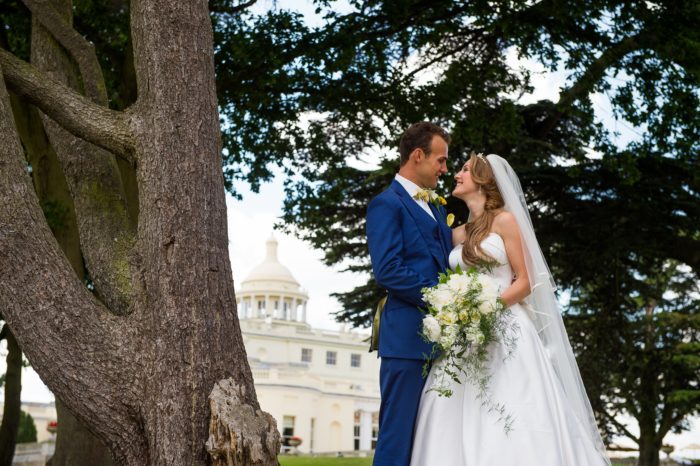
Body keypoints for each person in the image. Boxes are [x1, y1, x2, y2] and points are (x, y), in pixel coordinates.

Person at [410, 153, 611, 465]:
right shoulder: (457, 233)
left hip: (506, 329)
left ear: (483, 180)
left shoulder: (505, 220)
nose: (457, 174)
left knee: (513, 408)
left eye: (464, 170)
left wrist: (487, 308)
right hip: (465, 334)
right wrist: (461, 312)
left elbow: (525, 280)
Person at [366, 121, 453, 466]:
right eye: (441, 160)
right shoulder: (386, 204)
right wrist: (443, 300)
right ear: (418, 155)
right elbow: (388, 269)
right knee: (397, 435)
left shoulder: (438, 208)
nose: (445, 169)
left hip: (443, 342)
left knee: (431, 437)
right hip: (405, 341)